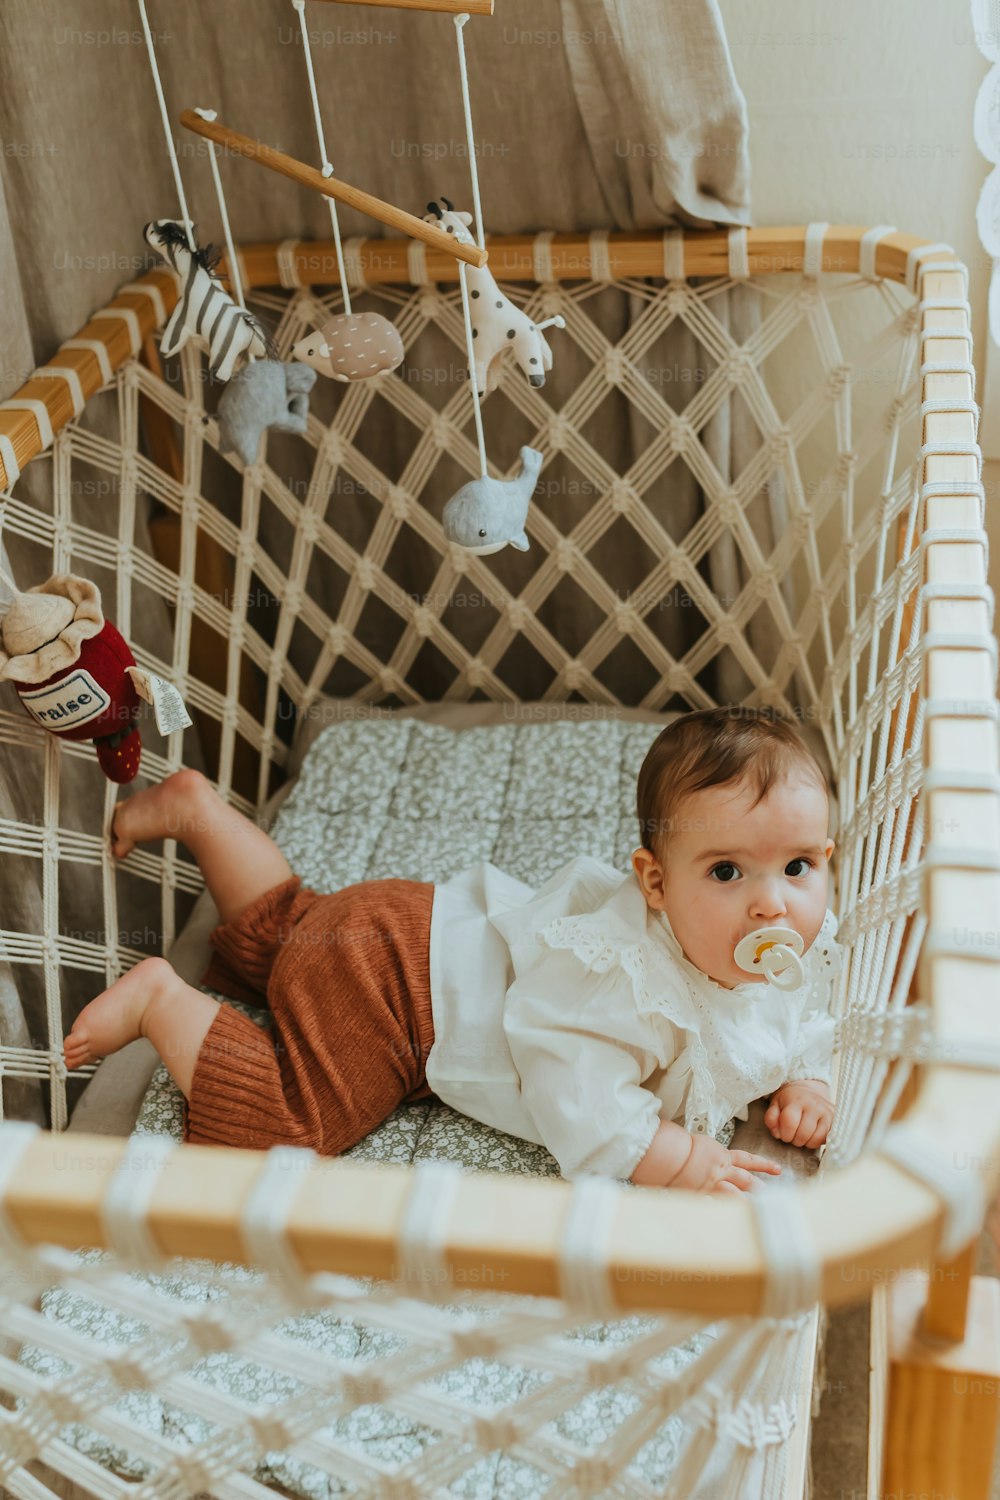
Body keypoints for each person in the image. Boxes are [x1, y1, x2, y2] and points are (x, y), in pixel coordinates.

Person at [63, 706, 841, 1196]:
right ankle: (161, 1000)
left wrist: (806, 1077)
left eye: (798, 867)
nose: (773, 903)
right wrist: (683, 1162)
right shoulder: (620, 983)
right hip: (397, 998)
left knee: (292, 930)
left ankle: (200, 814)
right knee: (291, 1129)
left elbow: (791, 1010)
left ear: (826, 859)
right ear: (655, 885)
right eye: (728, 871)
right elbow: (583, 1103)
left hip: (403, 923)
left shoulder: (761, 946)